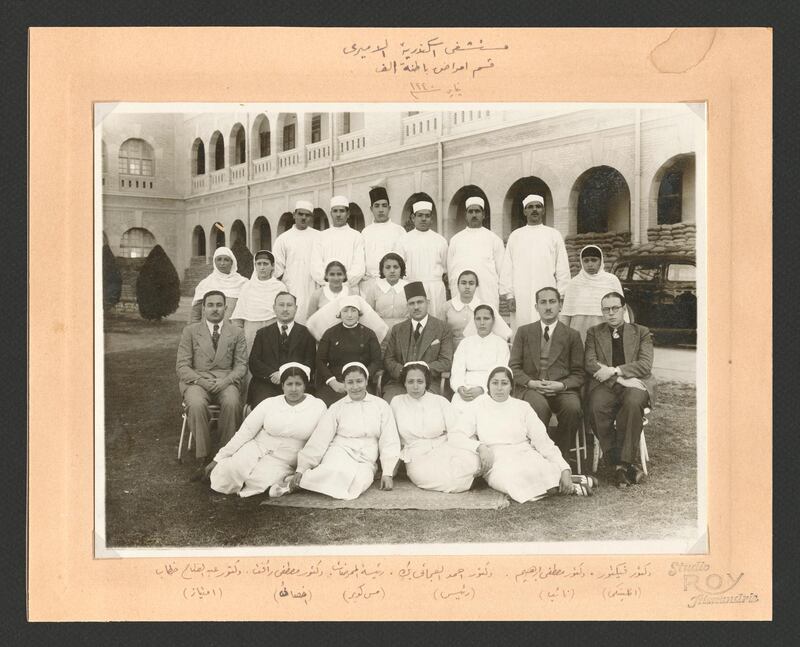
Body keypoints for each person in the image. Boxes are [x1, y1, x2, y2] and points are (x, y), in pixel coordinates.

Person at [457, 366, 596, 503]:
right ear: (488, 385)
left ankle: (565, 479)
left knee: (539, 470)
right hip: (497, 458)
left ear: (511, 386)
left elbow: (543, 442)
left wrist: (564, 468)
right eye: (495, 383)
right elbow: (457, 434)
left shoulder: (522, 407)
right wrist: (479, 447)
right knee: (510, 480)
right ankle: (568, 486)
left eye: (504, 383)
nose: (499, 388)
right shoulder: (477, 406)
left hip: (524, 452)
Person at [202, 363, 327, 497]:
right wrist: (219, 458)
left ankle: (286, 480)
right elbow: (246, 431)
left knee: (259, 480)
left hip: (286, 456)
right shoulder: (269, 403)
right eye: (289, 384)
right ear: (282, 385)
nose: (294, 389)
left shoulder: (317, 406)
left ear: (305, 385)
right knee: (231, 470)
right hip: (258, 446)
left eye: (298, 384)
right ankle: (223, 469)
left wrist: (303, 467)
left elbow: (319, 441)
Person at [285, 362, 401, 500]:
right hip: (340, 450)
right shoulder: (336, 407)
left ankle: (306, 483)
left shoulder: (381, 406)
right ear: (344, 385)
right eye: (350, 382)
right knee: (335, 471)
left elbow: (389, 439)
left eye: (359, 381)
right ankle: (298, 481)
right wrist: (302, 467)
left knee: (359, 483)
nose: (355, 386)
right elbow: (320, 438)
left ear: (366, 381)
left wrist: (387, 472)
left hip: (366, 457)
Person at [585, 291, 656, 488]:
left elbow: (645, 365)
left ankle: (622, 465)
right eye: (606, 309)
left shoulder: (641, 332)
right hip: (607, 385)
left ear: (624, 309)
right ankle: (618, 462)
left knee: (633, 403)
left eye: (615, 308)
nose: (611, 313)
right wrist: (620, 380)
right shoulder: (593, 332)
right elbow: (590, 363)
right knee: (596, 406)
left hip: (636, 383)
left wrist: (615, 370)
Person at [176, 290, 248, 478]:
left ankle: (225, 455)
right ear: (203, 308)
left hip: (225, 380)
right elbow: (182, 366)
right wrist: (201, 382)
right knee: (197, 404)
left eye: (219, 305)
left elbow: (241, 366)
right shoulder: (190, 331)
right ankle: (204, 456)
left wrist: (225, 381)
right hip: (197, 381)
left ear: (226, 307)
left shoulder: (236, 332)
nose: (215, 309)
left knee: (232, 402)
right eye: (210, 305)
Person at [509, 287, 584, 460]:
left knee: (573, 408)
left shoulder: (572, 335)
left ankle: (560, 456)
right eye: (543, 302)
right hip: (532, 388)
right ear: (536, 307)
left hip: (562, 388)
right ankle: (536, 457)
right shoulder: (524, 332)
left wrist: (562, 385)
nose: (548, 307)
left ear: (560, 305)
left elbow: (579, 373)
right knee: (538, 407)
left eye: (552, 302)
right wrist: (531, 383)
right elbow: (513, 367)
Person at [390, 362, 480, 493]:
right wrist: (390, 472)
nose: (415, 386)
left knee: (470, 462)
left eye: (420, 381)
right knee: (444, 479)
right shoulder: (396, 402)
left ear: (426, 382)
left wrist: (475, 447)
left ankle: (467, 479)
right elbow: (392, 439)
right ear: (404, 383)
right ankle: (467, 482)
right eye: (410, 382)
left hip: (444, 447)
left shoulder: (440, 401)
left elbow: (456, 431)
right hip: (416, 455)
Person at [499, 194, 571, 331]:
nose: (534, 210)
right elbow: (507, 267)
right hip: (521, 293)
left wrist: (560, 295)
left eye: (538, 206)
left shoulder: (553, 234)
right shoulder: (516, 236)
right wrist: (509, 295)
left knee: (548, 329)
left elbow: (562, 267)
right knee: (522, 328)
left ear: (543, 210)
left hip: (547, 290)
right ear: (525, 211)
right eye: (530, 207)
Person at [382, 281, 454, 402]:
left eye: (420, 302)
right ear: (407, 306)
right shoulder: (398, 329)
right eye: (412, 303)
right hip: (400, 383)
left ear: (428, 303)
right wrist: (405, 373)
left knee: (427, 404)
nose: (416, 307)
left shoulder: (442, 328)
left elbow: (446, 361)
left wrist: (421, 372)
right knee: (392, 401)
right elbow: (389, 359)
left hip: (429, 383)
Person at [247, 291, 316, 407]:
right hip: (267, 383)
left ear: (296, 308)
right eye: (281, 305)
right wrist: (272, 374)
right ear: (274, 308)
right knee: (263, 406)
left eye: (289, 305)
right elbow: (254, 362)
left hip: (295, 383)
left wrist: (285, 374)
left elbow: (310, 363)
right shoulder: (263, 333)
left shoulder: (306, 334)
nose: (285, 309)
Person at [313, 296, 384, 407]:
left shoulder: (369, 334)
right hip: (336, 382)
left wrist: (362, 380)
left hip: (361, 382)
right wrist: (332, 382)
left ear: (359, 313)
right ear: (340, 313)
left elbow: (376, 361)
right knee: (321, 405)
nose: (349, 315)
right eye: (345, 311)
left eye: (353, 310)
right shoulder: (330, 333)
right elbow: (320, 360)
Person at [446, 196, 505, 311]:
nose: (474, 215)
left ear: (483, 215)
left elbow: (501, 269)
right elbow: (450, 270)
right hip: (462, 294)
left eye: (477, 211)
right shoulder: (456, 240)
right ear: (466, 215)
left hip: (487, 293)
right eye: (470, 211)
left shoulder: (494, 239)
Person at [560, 244, 628, 344]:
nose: (590, 264)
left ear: (601, 261)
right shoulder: (574, 283)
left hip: (605, 329)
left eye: (594, 260)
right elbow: (566, 314)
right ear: (581, 262)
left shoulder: (611, 281)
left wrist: (625, 332)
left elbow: (621, 309)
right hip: (579, 331)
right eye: (586, 260)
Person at [450, 305, 511, 413]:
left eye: (486, 318)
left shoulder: (501, 344)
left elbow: (501, 372)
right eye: (478, 319)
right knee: (457, 411)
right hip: (465, 388)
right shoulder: (465, 343)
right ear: (474, 321)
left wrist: (482, 389)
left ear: (493, 321)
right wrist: (460, 388)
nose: (482, 323)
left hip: (491, 389)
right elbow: (457, 371)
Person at [396, 200, 448, 317]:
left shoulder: (440, 240)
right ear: (413, 218)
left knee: (436, 321)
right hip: (412, 287)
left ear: (432, 219)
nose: (424, 219)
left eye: (427, 216)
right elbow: (399, 268)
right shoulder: (403, 240)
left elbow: (445, 268)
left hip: (435, 290)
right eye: (420, 215)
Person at [230, 250, 287, 355]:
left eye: (265, 264)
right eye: (259, 264)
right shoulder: (247, 287)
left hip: (273, 327)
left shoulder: (280, 287)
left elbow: (285, 313)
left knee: (272, 357)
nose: (262, 267)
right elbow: (239, 315)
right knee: (252, 358)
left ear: (273, 266)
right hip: (251, 329)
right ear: (255, 266)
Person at [272, 200, 320, 324]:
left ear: (311, 217)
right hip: (291, 287)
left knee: (312, 320)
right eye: (300, 214)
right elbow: (277, 267)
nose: (303, 217)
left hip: (313, 286)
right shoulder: (283, 239)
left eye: (307, 215)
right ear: (294, 215)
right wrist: (288, 284)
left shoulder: (319, 237)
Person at [310, 195, 366, 289]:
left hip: (349, 288)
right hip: (326, 288)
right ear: (331, 213)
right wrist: (329, 283)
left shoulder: (356, 236)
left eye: (342, 211)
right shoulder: (321, 236)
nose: (338, 214)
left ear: (348, 214)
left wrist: (344, 283)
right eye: (335, 211)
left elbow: (359, 267)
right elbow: (315, 266)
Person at [360, 186, 406, 292]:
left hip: (392, 283)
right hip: (369, 283)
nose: (381, 210)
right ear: (371, 209)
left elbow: (403, 259)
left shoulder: (399, 231)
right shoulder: (365, 232)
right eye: (377, 206)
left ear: (389, 208)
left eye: (384, 206)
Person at [189, 246, 248, 323]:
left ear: (232, 262)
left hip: (233, 332)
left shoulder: (243, 283)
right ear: (214, 262)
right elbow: (195, 315)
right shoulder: (205, 283)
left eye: (226, 260)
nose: (222, 263)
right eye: (219, 259)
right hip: (207, 331)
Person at [361, 252, 409, 332]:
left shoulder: (408, 288)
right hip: (380, 331)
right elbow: (367, 313)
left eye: (396, 267)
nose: (392, 271)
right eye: (388, 267)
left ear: (401, 269)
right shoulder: (374, 288)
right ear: (382, 270)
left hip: (404, 331)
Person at [439, 269, 482, 350]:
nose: (467, 287)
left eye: (471, 283)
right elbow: (440, 333)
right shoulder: (447, 307)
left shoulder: (482, 306)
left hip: (477, 349)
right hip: (452, 350)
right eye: (463, 283)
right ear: (458, 285)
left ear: (476, 286)